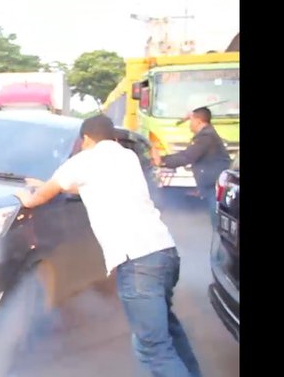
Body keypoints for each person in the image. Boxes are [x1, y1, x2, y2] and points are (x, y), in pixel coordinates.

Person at [14, 115, 202, 377]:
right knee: (168, 330)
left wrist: (28, 195)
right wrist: (50, 186)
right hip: (165, 254)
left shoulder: (83, 160)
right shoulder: (127, 158)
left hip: (137, 264)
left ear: (85, 139)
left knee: (152, 348)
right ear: (112, 137)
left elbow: (40, 198)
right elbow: (97, 187)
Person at [151, 107, 231, 228]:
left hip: (215, 185)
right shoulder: (205, 135)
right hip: (213, 183)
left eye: (191, 120)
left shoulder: (206, 137)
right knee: (218, 226)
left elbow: (187, 156)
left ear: (198, 121)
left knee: (219, 226)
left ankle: (222, 246)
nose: (189, 124)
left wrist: (162, 160)